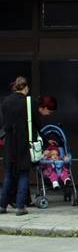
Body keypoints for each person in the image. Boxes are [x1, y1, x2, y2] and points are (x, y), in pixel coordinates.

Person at [0, 77, 36, 216]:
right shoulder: (28, 102)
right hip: (23, 141)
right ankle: (20, 207)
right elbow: (34, 122)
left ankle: (2, 205)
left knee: (9, 174)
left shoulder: (5, 101)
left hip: (9, 141)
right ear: (25, 88)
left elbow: (5, 124)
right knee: (23, 173)